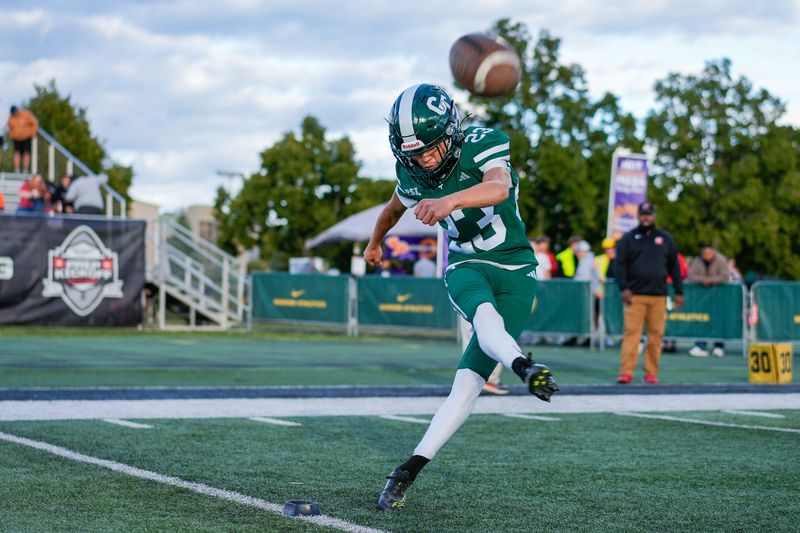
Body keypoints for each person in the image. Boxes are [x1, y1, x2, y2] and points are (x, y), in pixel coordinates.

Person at [364, 84, 558, 511]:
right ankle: (524, 366)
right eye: (414, 152)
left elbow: (498, 187)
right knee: (483, 315)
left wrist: (448, 200)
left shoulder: (485, 142)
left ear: (451, 131)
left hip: (516, 266)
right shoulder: (412, 174)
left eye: (431, 148)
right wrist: (375, 242)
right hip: (467, 264)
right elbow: (392, 208)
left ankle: (406, 470)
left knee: (467, 385)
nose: (424, 159)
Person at [615, 201, 684, 385]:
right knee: (632, 334)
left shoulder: (665, 239)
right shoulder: (628, 238)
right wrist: (624, 288)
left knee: (656, 335)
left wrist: (679, 291)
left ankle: (651, 373)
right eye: (643, 214)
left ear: (654, 215)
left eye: (649, 214)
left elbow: (674, 267)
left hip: (659, 296)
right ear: (639, 216)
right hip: (635, 295)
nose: (646, 217)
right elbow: (619, 266)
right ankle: (626, 372)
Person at [687, 244, 730, 358]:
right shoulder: (697, 261)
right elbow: (690, 275)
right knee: (702, 319)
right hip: (702, 298)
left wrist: (710, 281)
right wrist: (702, 280)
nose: (707, 255)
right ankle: (700, 345)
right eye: (705, 253)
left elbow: (725, 276)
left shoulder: (721, 260)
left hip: (718, 296)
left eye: (709, 253)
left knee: (717, 320)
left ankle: (718, 346)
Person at [7, 105, 38, 173]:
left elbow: (35, 122)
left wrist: (33, 133)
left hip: (26, 137)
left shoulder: (26, 114)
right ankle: (17, 169)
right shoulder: (11, 118)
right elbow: (9, 127)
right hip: (16, 138)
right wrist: (11, 135)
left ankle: (25, 169)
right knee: (16, 153)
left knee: (26, 153)